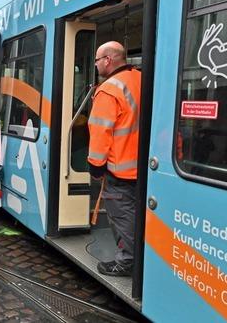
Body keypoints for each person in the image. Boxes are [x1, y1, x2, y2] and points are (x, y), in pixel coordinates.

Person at [87, 41, 141, 277]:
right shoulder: (140, 79)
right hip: (143, 167)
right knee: (136, 215)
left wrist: (96, 168)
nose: (96, 65)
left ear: (108, 60)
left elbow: (100, 132)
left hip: (119, 169)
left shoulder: (109, 90)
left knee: (122, 216)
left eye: (97, 60)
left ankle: (127, 262)